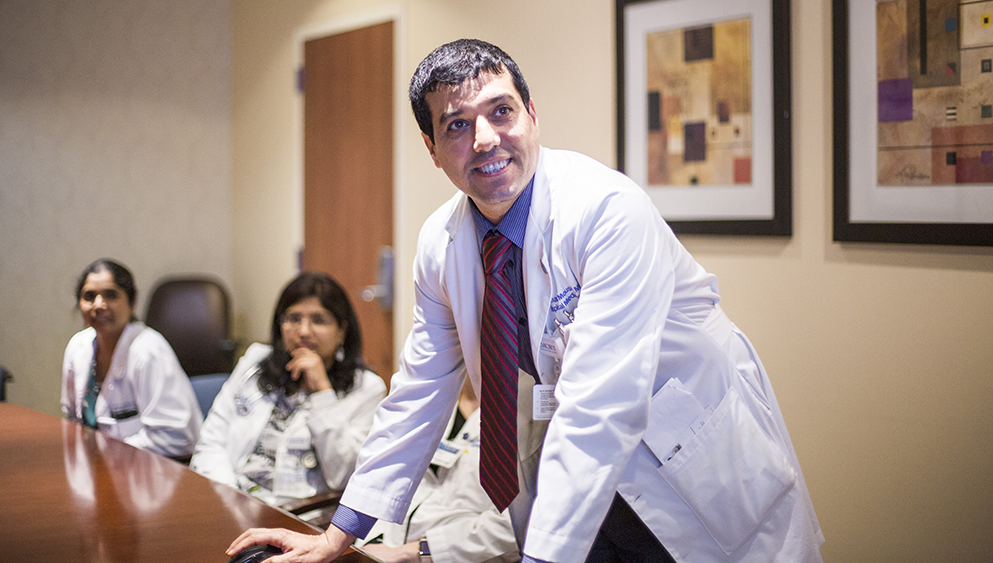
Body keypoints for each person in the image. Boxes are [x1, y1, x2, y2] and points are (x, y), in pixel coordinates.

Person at [229, 39, 824, 563]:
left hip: (699, 477)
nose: (484, 139)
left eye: (501, 111)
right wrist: (340, 534)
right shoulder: (442, 242)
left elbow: (598, 406)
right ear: (433, 147)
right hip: (581, 493)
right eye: (456, 124)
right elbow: (419, 393)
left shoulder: (607, 211)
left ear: (533, 115)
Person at [191, 272, 386, 507]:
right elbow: (211, 442)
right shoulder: (255, 360)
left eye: (319, 320)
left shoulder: (366, 389)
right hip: (229, 499)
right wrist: (230, 499)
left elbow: (342, 476)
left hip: (296, 517)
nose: (303, 331)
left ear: (342, 331)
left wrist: (322, 392)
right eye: (293, 318)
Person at [356, 380, 519, 563]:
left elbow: (517, 524)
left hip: (449, 557)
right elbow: (387, 477)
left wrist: (421, 551)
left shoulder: (522, 417)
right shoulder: (431, 398)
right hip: (381, 544)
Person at [62, 258, 202, 457]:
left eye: (111, 295)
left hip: (151, 473)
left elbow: (177, 439)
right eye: (89, 296)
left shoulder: (148, 351)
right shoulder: (78, 347)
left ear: (132, 302)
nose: (99, 305)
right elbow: (72, 420)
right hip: (97, 470)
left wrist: (108, 452)